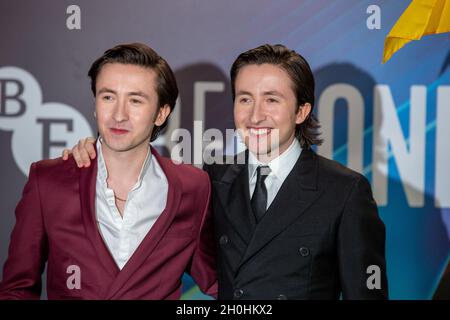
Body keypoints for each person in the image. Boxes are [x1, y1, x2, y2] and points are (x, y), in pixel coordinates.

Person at [65, 44, 388, 300]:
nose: (255, 115)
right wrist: (97, 154)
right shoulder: (210, 180)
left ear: (301, 111)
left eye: (271, 100)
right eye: (245, 99)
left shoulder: (344, 190)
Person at [0, 43, 217, 300]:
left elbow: (215, 281)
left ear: (161, 113)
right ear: (95, 104)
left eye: (135, 100)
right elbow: (17, 289)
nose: (118, 115)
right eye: (108, 97)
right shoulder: (48, 181)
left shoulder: (193, 187)